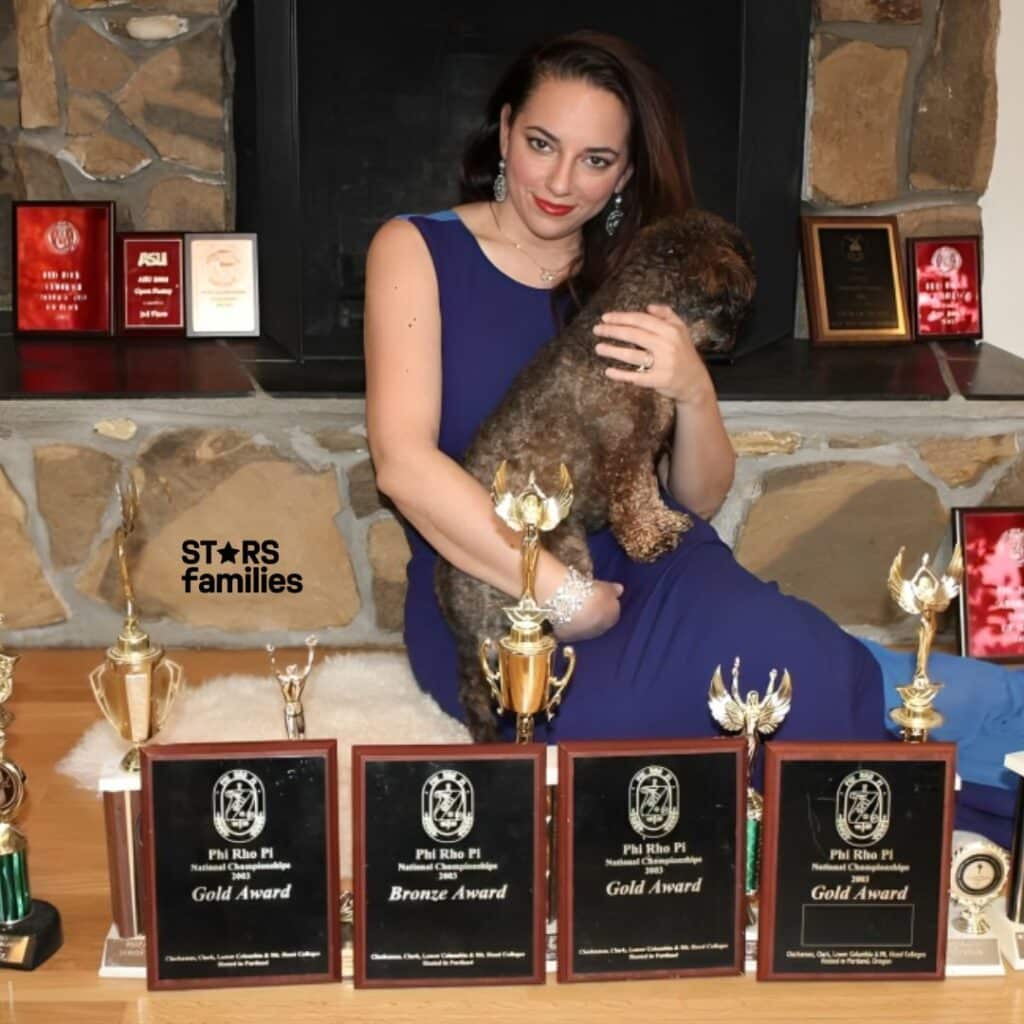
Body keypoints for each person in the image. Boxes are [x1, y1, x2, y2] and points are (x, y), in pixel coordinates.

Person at [364, 30, 1022, 846]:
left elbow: (695, 497)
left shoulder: (644, 272)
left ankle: (937, 805)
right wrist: (557, 593)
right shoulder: (417, 250)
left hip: (649, 566)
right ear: (503, 133)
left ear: (628, 172)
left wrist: (692, 388)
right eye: (541, 145)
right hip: (490, 583)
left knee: (794, 670)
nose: (562, 182)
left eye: (597, 160)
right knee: (624, 747)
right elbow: (402, 463)